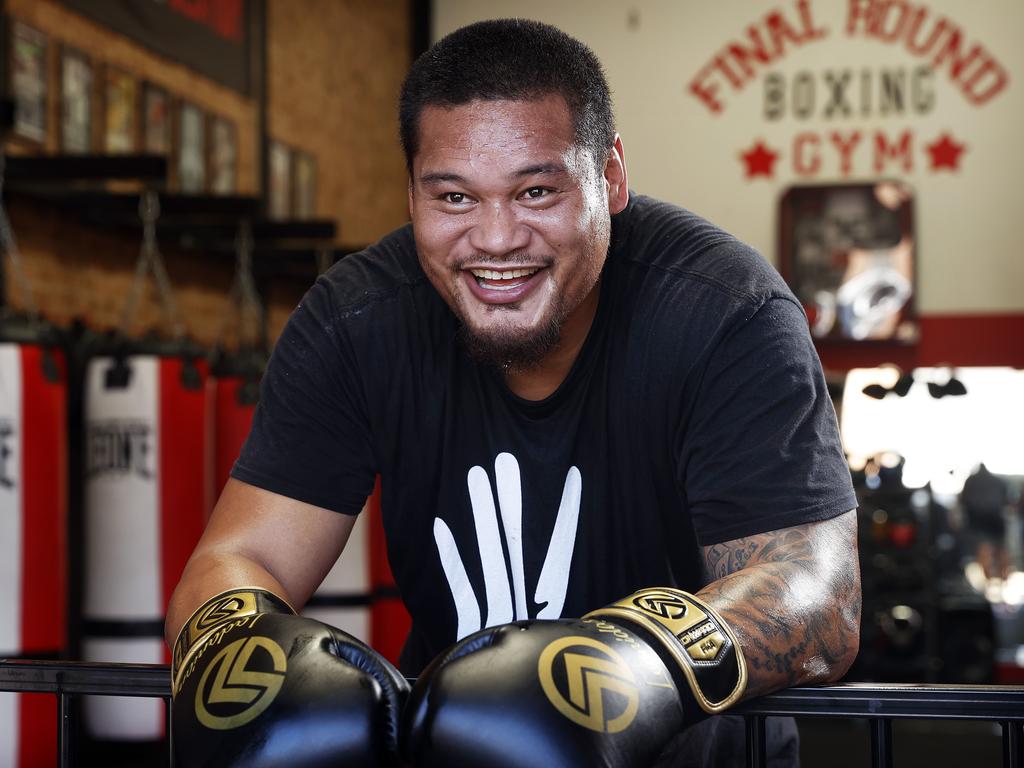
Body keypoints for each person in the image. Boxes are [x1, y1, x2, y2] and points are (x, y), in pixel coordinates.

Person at [166, 18, 861, 767]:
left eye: (536, 190)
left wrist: (632, 665)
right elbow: (239, 556)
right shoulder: (356, 322)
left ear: (610, 176)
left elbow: (816, 590)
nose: (497, 239)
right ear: (410, 194)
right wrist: (246, 656)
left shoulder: (723, 313)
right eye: (455, 198)